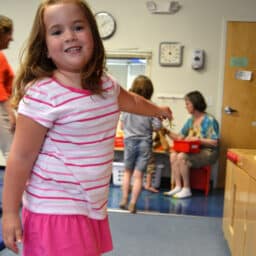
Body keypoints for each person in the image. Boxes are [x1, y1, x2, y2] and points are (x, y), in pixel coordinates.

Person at [1, 1, 172, 255]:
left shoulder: (106, 85)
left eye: (78, 27)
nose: (70, 35)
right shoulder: (43, 95)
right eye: (57, 31)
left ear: (93, 34)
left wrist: (157, 110)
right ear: (45, 48)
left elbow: (133, 101)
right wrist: (11, 212)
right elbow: (21, 157)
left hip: (90, 206)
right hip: (55, 209)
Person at [163, 90, 219, 199]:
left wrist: (197, 139)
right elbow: (180, 137)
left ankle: (186, 189)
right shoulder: (190, 120)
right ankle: (178, 186)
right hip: (194, 151)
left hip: (208, 152)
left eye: (188, 104)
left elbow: (215, 142)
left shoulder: (210, 120)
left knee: (181, 156)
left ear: (195, 103)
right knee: (173, 155)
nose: (186, 107)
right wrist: (165, 131)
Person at [119, 75, 162, 213]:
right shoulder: (150, 107)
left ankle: (124, 198)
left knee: (127, 172)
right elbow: (157, 127)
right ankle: (132, 204)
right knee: (139, 176)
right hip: (144, 142)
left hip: (129, 141)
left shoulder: (127, 106)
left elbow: (121, 126)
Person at [0, 15, 16, 161]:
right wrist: (9, 112)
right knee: (11, 152)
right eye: (9, 33)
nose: (11, 38)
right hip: (1, 108)